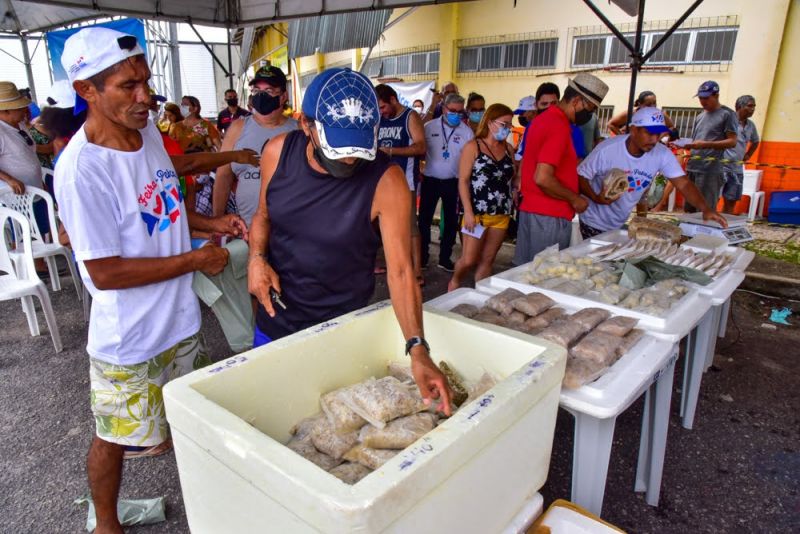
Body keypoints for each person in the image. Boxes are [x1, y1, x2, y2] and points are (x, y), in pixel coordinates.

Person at [53, 27, 251, 534]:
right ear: (87, 91)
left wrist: (211, 225)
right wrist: (195, 262)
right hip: (130, 338)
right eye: (128, 86)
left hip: (180, 321)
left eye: (146, 82)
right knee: (115, 436)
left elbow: (161, 212)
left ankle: (210, 500)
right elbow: (106, 271)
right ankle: (106, 524)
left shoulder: (144, 139)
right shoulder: (83, 169)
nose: (146, 98)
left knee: (188, 419)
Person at [246, 67, 452, 415]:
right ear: (306, 126)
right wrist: (256, 258)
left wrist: (418, 348)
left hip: (342, 329)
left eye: (357, 148)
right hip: (276, 320)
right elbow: (263, 216)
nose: (350, 159)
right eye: (338, 148)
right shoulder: (277, 152)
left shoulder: (386, 181)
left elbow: (401, 272)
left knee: (333, 428)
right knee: (270, 415)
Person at [578, 107, 727, 239]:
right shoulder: (608, 149)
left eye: (658, 135)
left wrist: (705, 208)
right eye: (649, 133)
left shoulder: (661, 153)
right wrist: (596, 198)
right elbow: (581, 175)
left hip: (618, 221)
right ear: (634, 129)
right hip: (593, 219)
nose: (654, 140)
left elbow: (683, 183)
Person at [514, 73, 609, 266]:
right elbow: (543, 178)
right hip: (549, 216)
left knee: (525, 273)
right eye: (589, 109)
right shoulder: (558, 125)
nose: (589, 115)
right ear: (576, 101)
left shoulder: (542, 120)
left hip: (533, 211)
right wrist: (575, 199)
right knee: (544, 276)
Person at [212, 66, 297, 225]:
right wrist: (217, 220)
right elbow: (223, 176)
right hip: (247, 227)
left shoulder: (298, 130)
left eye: (269, 90)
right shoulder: (238, 128)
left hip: (290, 227)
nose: (261, 96)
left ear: (284, 96)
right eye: (257, 90)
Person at [448, 104, 516, 291]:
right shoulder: (473, 147)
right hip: (476, 214)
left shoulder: (509, 149)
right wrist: (468, 212)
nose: (507, 129)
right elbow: (462, 181)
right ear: (490, 122)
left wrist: (516, 190)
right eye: (504, 124)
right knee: (469, 259)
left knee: (487, 260)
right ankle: (455, 280)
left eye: (510, 125)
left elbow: (512, 177)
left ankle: (480, 295)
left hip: (501, 213)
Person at [376, 84, 427, 282]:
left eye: (383, 107)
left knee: (409, 226)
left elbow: (421, 147)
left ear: (393, 100)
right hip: (380, 179)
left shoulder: (410, 117)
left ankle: (416, 271)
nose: (381, 111)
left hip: (405, 181)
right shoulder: (381, 119)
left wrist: (391, 151)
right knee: (379, 224)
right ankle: (386, 263)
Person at [0, 80, 53, 269]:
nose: (23, 110)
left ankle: (38, 262)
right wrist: (9, 179)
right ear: (5, 111)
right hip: (15, 193)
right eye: (18, 107)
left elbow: (29, 153)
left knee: (38, 225)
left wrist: (39, 178)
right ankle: (27, 265)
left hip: (33, 187)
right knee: (21, 228)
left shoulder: (19, 126)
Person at [419, 92, 474, 271]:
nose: (456, 115)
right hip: (430, 180)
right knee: (424, 221)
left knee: (450, 222)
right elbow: (419, 148)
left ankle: (444, 258)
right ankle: (422, 257)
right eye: (452, 111)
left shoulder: (466, 132)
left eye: (460, 112)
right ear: (443, 109)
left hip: (454, 182)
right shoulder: (429, 127)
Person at [679, 81, 737, 213]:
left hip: (710, 169)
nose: (703, 101)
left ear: (716, 95)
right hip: (693, 166)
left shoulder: (727, 114)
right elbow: (696, 140)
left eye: (706, 98)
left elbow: (732, 141)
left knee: (705, 209)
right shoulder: (700, 116)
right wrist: (687, 144)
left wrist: (706, 144)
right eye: (700, 98)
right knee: (689, 208)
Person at [721, 95, 760, 214]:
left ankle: (724, 225)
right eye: (749, 106)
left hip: (737, 168)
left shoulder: (751, 125)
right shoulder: (727, 121)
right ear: (739, 107)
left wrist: (748, 155)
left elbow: (755, 141)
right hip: (721, 166)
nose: (752, 109)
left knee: (731, 200)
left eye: (754, 106)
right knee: (713, 199)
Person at [514, 82, 561, 162]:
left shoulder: (568, 129)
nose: (549, 108)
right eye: (544, 104)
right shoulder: (531, 127)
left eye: (553, 103)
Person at [607, 90, 675, 135]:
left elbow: (671, 126)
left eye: (654, 103)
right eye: (648, 105)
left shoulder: (659, 114)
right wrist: (622, 137)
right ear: (640, 104)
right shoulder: (631, 113)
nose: (652, 107)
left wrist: (659, 137)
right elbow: (611, 124)